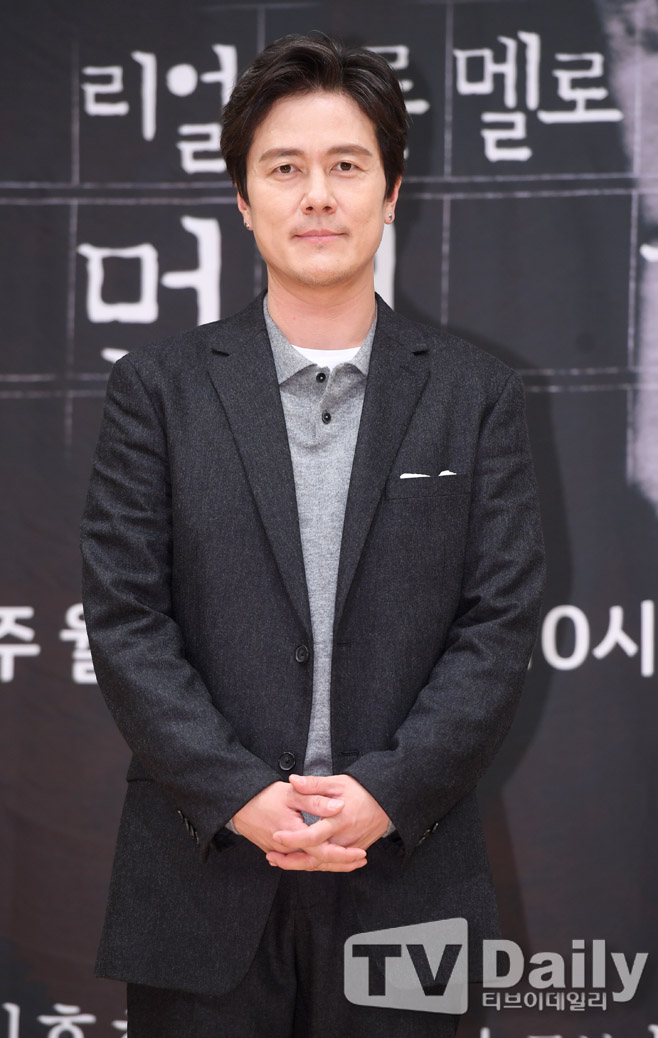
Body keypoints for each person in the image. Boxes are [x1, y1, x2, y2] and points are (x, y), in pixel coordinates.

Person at [80, 32, 545, 1038]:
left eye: (346, 166)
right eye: (285, 169)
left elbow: (498, 622)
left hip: (405, 872)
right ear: (244, 201)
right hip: (202, 871)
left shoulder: (476, 395)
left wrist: (386, 791)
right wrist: (239, 793)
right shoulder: (156, 391)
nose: (318, 196)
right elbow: (125, 620)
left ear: (392, 192)